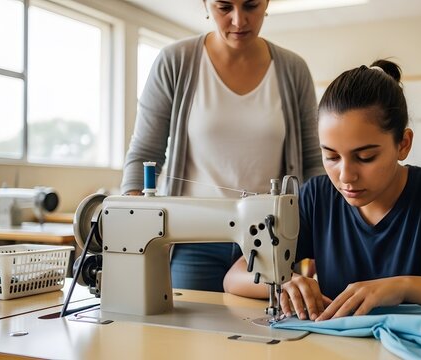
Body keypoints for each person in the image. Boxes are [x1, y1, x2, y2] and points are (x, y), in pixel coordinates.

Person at [223, 59, 421, 320]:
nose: (346, 176)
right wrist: (283, 282)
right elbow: (234, 276)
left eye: (365, 157)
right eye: (331, 156)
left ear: (403, 144)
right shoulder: (317, 196)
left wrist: (402, 287)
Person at [121, 0, 323, 292]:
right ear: (205, 4)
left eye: (251, 5)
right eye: (224, 7)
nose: (239, 21)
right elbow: (143, 154)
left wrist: (321, 231)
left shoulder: (293, 70)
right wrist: (132, 225)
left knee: (267, 328)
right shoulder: (174, 61)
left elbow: (313, 161)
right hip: (192, 239)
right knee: (186, 333)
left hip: (270, 236)